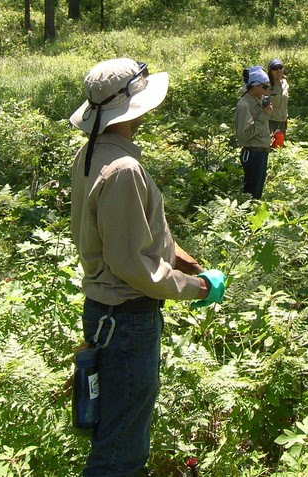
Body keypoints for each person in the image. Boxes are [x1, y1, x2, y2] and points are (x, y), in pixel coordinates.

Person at [69, 57, 227, 477]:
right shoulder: (123, 169)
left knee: (116, 431)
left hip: (106, 316)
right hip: (127, 322)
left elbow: (131, 234)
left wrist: (183, 259)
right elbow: (131, 264)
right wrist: (194, 288)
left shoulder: (93, 155)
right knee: (121, 451)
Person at [236, 65, 273, 198]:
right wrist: (264, 115)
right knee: (251, 195)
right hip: (252, 155)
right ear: (255, 85)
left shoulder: (257, 100)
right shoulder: (244, 105)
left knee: (257, 193)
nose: (266, 90)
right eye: (264, 87)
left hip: (261, 152)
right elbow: (244, 134)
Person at [267, 58, 289, 147]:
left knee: (280, 146)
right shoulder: (267, 86)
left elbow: (284, 102)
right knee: (271, 146)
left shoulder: (285, 83)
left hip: (283, 120)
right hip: (271, 121)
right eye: (275, 68)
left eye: (280, 67)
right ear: (271, 71)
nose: (279, 70)